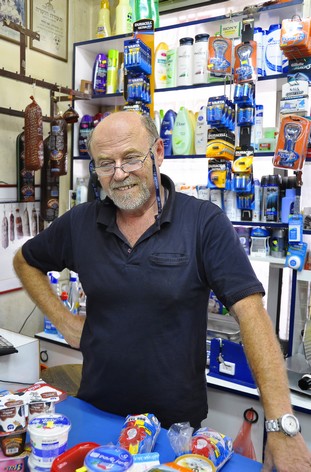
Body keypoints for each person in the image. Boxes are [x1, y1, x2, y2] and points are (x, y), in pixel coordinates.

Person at [13, 111, 310, 471]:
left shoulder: (203, 222)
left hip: (175, 429)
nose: (119, 173)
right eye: (105, 163)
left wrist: (281, 425)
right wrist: (64, 321)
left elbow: (252, 316)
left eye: (131, 158)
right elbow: (25, 262)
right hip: (97, 412)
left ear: (158, 152)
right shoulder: (81, 222)